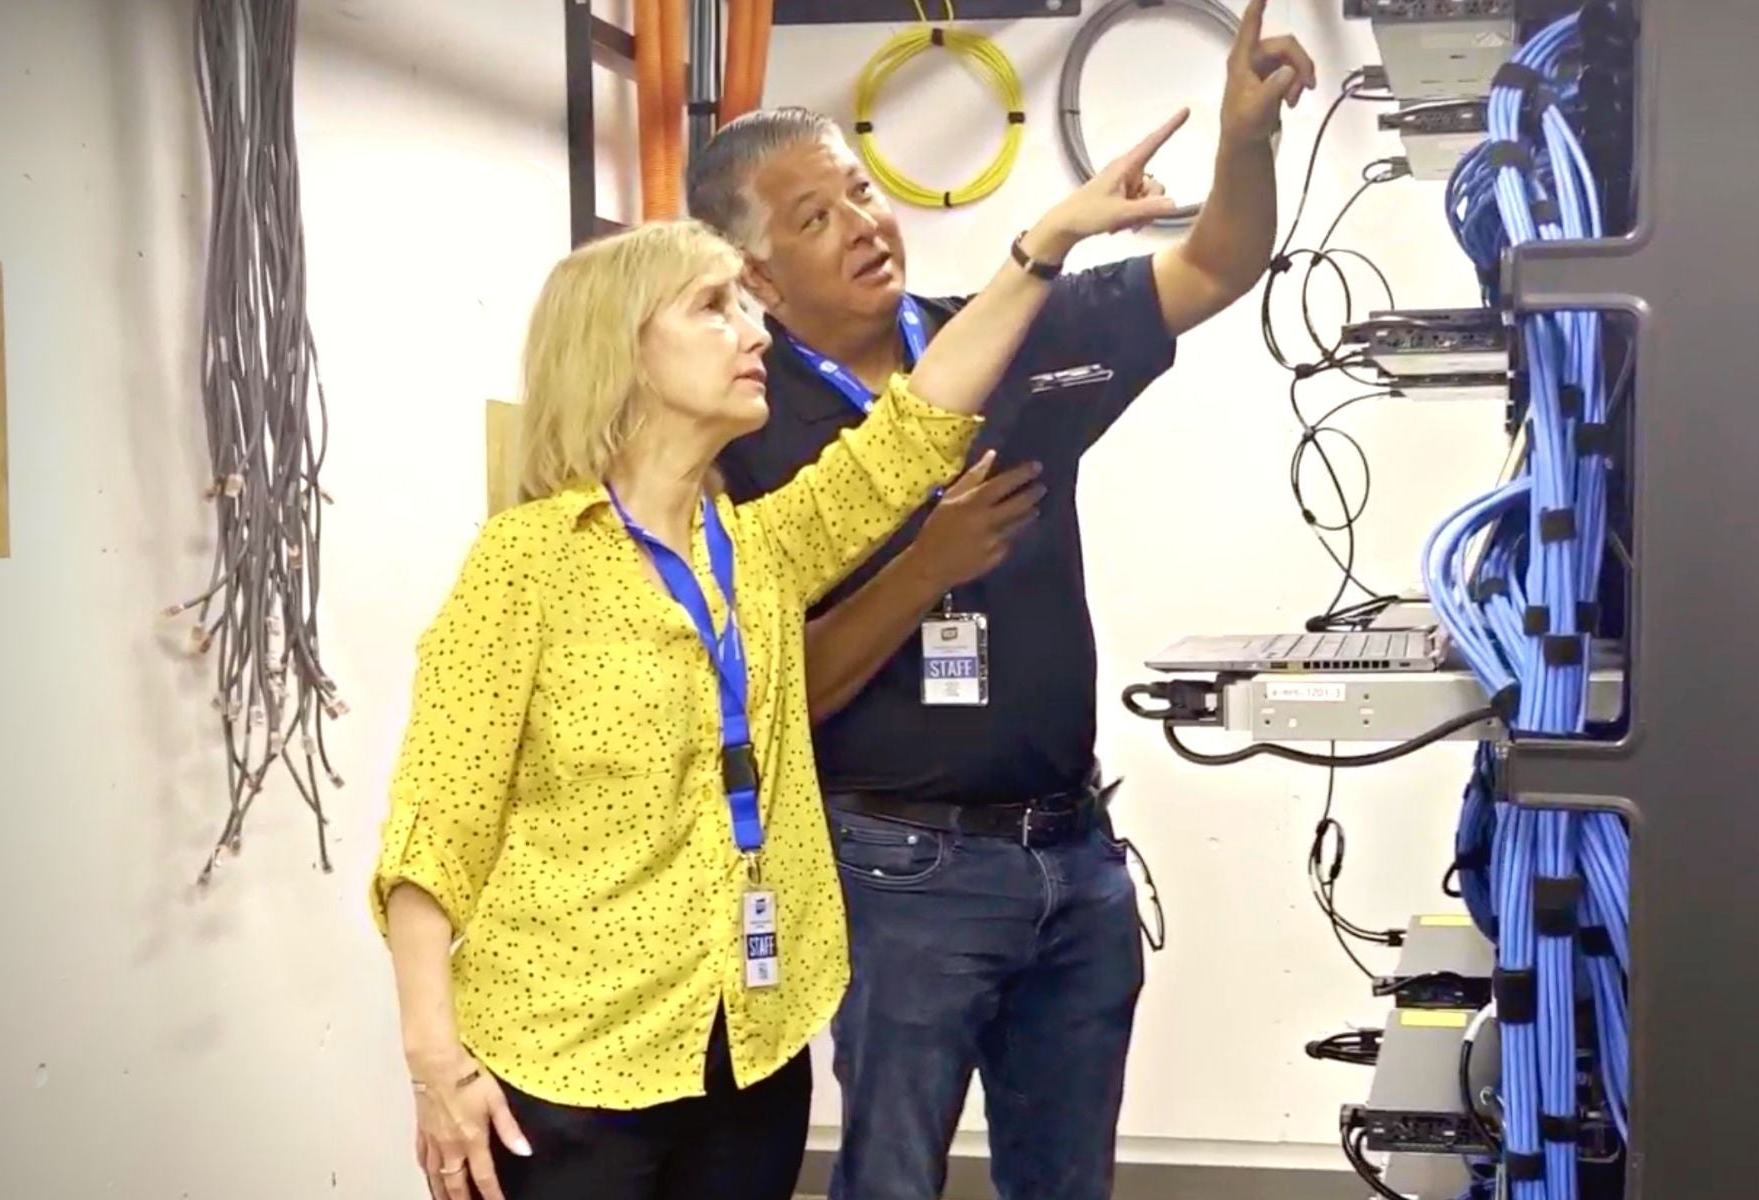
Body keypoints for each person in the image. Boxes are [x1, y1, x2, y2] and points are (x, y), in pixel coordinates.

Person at [366, 130, 1186, 1200]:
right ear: (622, 352)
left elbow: (917, 427)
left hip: (743, 1050)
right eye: (714, 308)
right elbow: (434, 835)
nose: (753, 327)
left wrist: (1044, 247)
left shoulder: (752, 551)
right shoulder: (527, 566)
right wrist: (437, 1064)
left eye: (745, 305)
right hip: (569, 1066)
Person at [691, 4, 1315, 1198]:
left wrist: (1247, 137)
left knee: (1066, 1180)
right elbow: (773, 689)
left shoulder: (1014, 331)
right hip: (895, 873)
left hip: (1073, 857)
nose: (866, 228)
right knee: (888, 1178)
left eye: (861, 195)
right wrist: (925, 564)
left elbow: (1218, 264)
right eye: (815, 220)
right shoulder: (744, 425)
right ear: (759, 277)